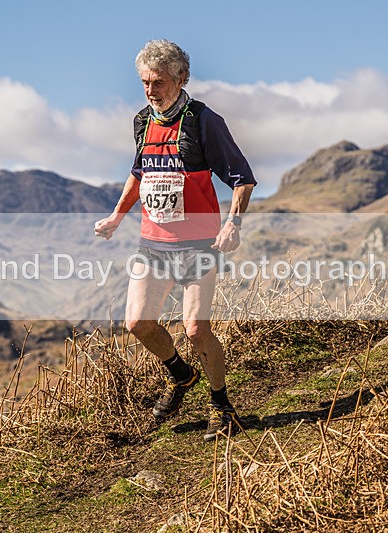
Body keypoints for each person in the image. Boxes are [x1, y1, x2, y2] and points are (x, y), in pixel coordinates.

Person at [94, 39, 255, 442]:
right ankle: (182, 375)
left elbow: (242, 178)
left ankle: (222, 406)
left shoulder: (204, 121)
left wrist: (233, 225)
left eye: (159, 82)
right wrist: (116, 216)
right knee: (138, 323)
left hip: (199, 246)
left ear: (182, 78)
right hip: (153, 244)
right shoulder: (142, 122)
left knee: (196, 330)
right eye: (145, 82)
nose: (151, 90)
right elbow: (140, 173)